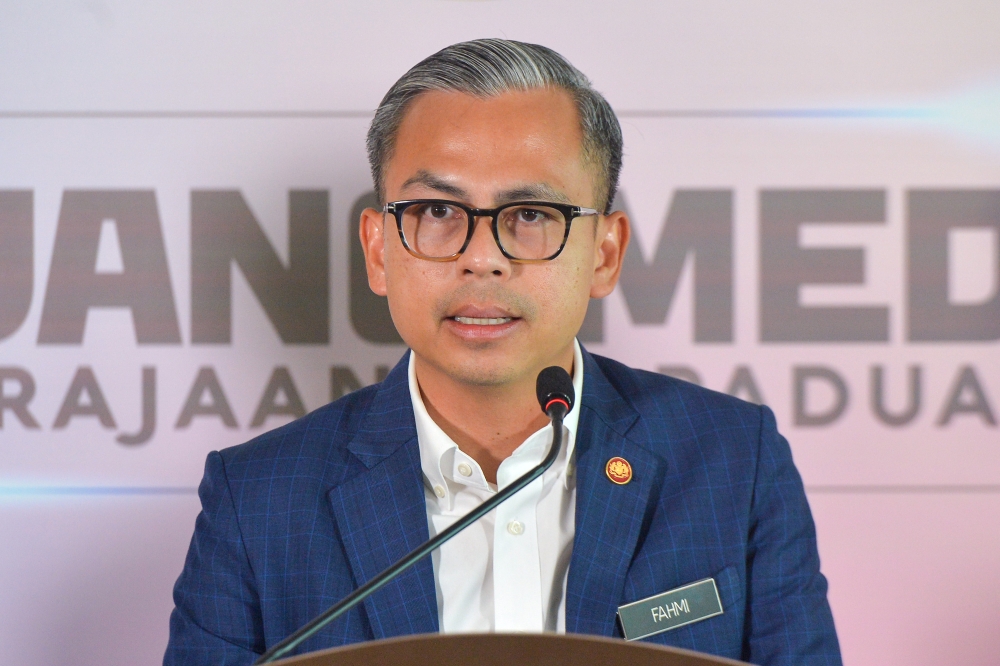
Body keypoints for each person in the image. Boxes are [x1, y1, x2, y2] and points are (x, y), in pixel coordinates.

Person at [165, 39, 841, 665]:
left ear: (605, 254)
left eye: (530, 216)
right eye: (436, 213)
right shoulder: (257, 501)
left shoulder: (733, 461)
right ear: (378, 250)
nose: (481, 258)